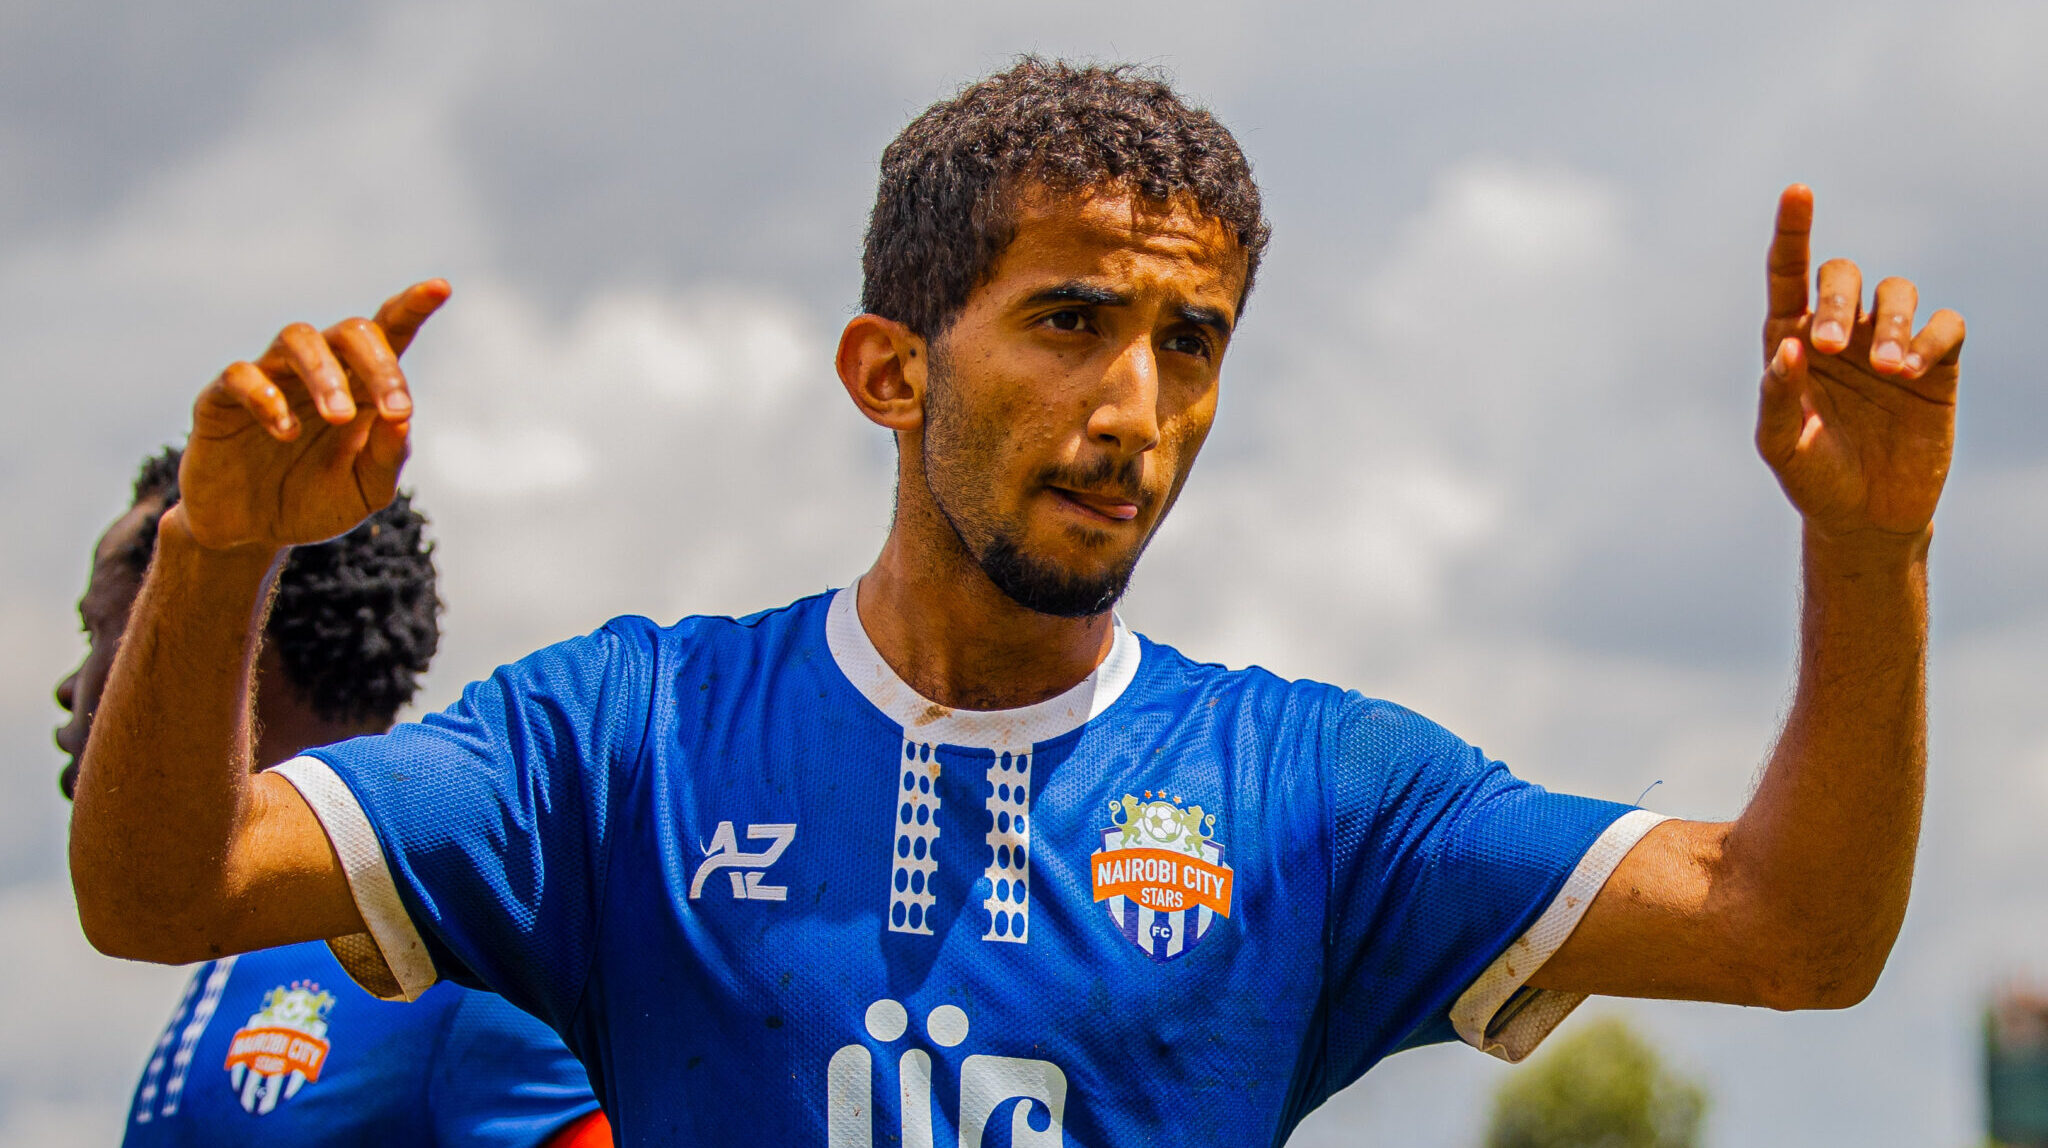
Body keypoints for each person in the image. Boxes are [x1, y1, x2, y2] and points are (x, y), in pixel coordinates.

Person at [70, 59, 1966, 1144]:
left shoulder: (1309, 791)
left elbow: (1789, 929)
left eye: (1189, 340)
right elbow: (162, 893)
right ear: (890, 371)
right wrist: (226, 546)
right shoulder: (621, 741)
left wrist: (1864, 552)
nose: (1132, 409)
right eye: (1067, 322)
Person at [58, 448, 611, 1147]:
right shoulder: (241, 943)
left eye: (98, 631)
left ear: (218, 636)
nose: (68, 684)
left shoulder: (473, 949)